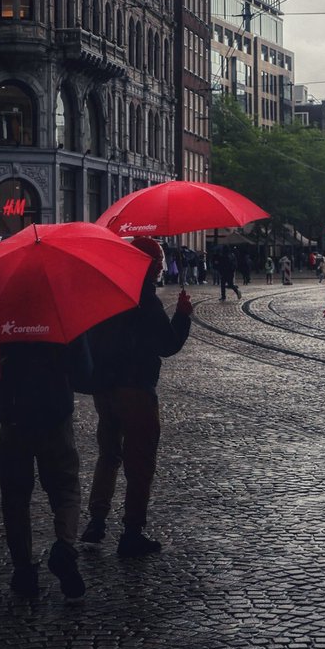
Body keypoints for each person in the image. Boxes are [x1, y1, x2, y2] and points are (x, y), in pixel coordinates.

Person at [80, 237, 192, 557]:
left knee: (109, 454)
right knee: (140, 462)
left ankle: (97, 520)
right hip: (136, 389)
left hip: (105, 389)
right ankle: (132, 531)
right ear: (150, 266)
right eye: (157, 265)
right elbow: (167, 345)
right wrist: (183, 315)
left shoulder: (107, 293)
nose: (159, 270)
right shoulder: (145, 299)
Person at [0, 337, 89, 601]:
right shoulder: (62, 319)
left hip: (14, 418)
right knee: (66, 488)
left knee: (15, 497)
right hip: (55, 416)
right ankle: (64, 546)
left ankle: (23, 569)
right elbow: (85, 371)